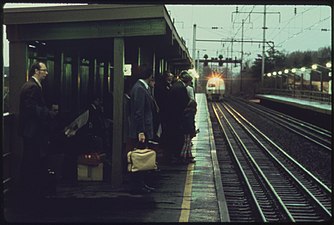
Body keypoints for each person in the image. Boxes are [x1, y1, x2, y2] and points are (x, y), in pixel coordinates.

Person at [18, 61, 58, 210]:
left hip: (30, 132)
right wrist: (50, 114)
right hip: (33, 132)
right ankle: (30, 195)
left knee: (31, 162)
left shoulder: (30, 86)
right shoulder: (32, 87)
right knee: (32, 162)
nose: (46, 73)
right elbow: (32, 108)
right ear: (36, 71)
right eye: (44, 70)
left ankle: (29, 194)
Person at [128, 64, 156, 193]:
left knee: (142, 158)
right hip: (141, 130)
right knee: (139, 158)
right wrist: (140, 131)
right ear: (150, 76)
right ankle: (137, 185)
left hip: (143, 129)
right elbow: (138, 112)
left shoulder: (142, 88)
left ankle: (141, 184)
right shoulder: (139, 89)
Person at [166, 71, 191, 163]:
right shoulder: (181, 88)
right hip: (176, 117)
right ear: (187, 81)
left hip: (172, 116)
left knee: (173, 136)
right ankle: (176, 157)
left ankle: (173, 156)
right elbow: (184, 103)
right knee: (177, 137)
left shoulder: (176, 86)